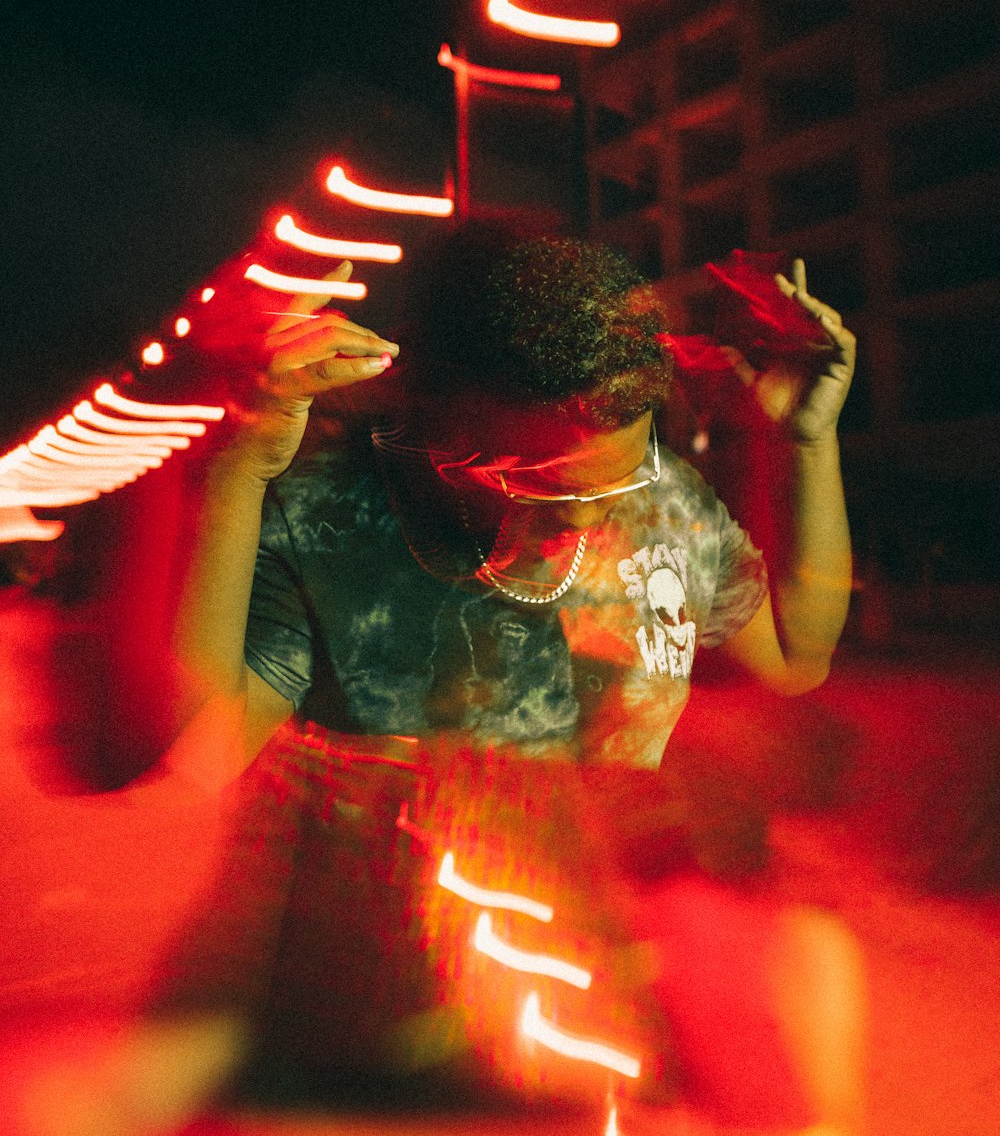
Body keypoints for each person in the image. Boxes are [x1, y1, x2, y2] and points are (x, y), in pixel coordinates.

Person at [149, 225, 861, 1131]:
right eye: (539, 481)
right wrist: (239, 464)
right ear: (434, 412)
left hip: (595, 1065)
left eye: (616, 478)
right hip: (365, 1081)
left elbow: (795, 656)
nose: (589, 522)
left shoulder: (663, 506)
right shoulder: (339, 519)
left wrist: (805, 442)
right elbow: (199, 738)